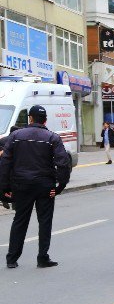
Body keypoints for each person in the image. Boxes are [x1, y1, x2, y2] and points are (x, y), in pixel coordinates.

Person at [0, 105, 72, 269]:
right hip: (45, 186)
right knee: (45, 221)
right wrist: (60, 186)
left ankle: (12, 258)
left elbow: (5, 162)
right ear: (45, 120)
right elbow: (63, 164)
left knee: (20, 220)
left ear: (30, 118)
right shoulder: (52, 137)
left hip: (21, 184)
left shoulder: (16, 136)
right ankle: (42, 258)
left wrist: (4, 187)